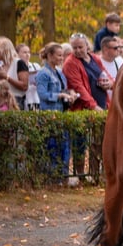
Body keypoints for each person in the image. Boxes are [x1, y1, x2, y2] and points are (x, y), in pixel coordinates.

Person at [63, 32, 109, 181]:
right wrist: (93, 106)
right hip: (83, 108)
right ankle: (80, 173)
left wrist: (110, 83)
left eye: (80, 47)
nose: (77, 50)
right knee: (80, 142)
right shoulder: (70, 63)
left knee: (99, 141)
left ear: (87, 46)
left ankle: (96, 173)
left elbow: (105, 74)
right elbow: (79, 87)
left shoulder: (95, 58)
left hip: (102, 103)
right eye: (74, 47)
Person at [36, 42, 77, 179]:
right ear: (50, 55)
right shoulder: (43, 73)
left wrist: (70, 94)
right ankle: (52, 176)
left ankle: (63, 175)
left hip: (62, 114)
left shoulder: (59, 72)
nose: (61, 58)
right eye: (59, 55)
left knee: (64, 146)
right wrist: (60, 96)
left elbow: (64, 88)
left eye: (62, 55)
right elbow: (43, 95)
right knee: (51, 146)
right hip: (49, 114)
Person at [0, 36, 30, 109]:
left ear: (4, 50)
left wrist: (6, 77)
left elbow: (24, 86)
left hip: (15, 101)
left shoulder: (19, 63)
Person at [97, 35, 123, 100]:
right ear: (106, 50)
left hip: (117, 101)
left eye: (119, 47)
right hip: (103, 102)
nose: (118, 50)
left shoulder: (120, 60)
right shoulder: (97, 62)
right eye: (115, 48)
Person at [17, 43, 41, 110]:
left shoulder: (35, 66)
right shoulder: (15, 67)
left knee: (33, 117)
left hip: (34, 99)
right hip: (21, 99)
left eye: (29, 52)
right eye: (24, 52)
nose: (27, 55)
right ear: (17, 54)